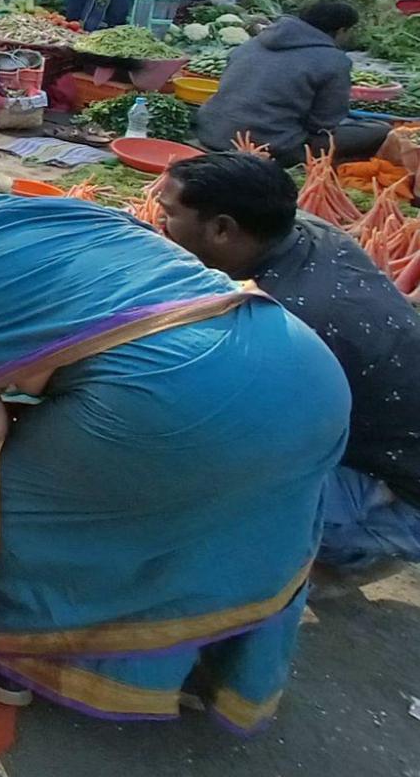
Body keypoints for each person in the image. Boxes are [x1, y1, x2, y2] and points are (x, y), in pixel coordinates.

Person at [0, 156, 347, 726]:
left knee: (10, 505)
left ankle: (4, 657)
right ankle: (215, 669)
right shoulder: (54, 211)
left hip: (180, 393)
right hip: (300, 365)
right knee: (232, 519)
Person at [161, 152, 420, 568]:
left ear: (223, 229)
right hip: (382, 438)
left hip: (400, 485)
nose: (161, 227)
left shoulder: (287, 320)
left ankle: (354, 542)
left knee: (196, 490)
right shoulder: (310, 232)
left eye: (169, 215)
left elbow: (231, 427)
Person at [193, 0, 391, 165]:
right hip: (272, 144)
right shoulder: (333, 60)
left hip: (211, 131)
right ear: (340, 30)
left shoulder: (253, 43)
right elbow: (323, 123)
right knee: (380, 130)